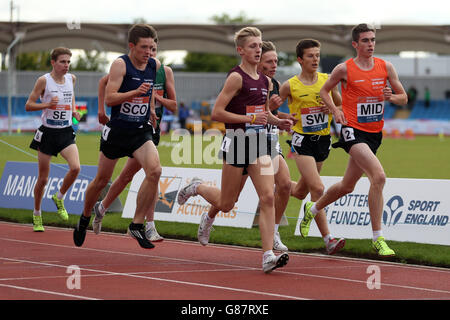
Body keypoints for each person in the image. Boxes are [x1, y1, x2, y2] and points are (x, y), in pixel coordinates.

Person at [177, 27, 293, 273]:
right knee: (228, 203)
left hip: (260, 143)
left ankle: (267, 256)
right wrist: (249, 119)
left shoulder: (265, 81)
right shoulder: (236, 77)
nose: (258, 49)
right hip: (237, 142)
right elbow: (217, 112)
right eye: (253, 46)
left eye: (259, 45)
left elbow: (263, 114)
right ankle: (196, 186)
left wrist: (277, 121)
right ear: (240, 50)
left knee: (268, 196)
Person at [304, 23, 407, 257]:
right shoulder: (344, 69)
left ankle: (314, 207)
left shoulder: (386, 67)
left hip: (374, 134)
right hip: (352, 130)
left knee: (347, 186)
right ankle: (377, 238)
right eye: (365, 41)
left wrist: (391, 97)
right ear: (355, 44)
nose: (370, 44)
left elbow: (403, 98)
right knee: (378, 176)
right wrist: (335, 110)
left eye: (372, 40)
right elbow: (323, 91)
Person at [73, 24, 162, 249]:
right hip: (118, 132)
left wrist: (150, 108)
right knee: (102, 180)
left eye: (152, 48)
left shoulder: (155, 65)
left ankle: (136, 224)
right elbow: (110, 99)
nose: (148, 53)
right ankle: (84, 217)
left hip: (140, 131)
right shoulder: (120, 64)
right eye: (144, 47)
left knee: (155, 171)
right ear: (132, 46)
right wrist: (134, 93)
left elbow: (149, 89)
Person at [93, 37, 177, 242]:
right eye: (148, 48)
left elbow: (174, 105)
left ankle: (108, 210)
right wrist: (101, 110)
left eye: (154, 49)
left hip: (150, 130)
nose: (151, 53)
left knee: (143, 174)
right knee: (137, 175)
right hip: (131, 128)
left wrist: (156, 99)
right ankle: (143, 224)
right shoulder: (130, 67)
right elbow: (103, 82)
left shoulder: (163, 71)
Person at [277, 39, 346, 255]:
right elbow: (271, 110)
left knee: (299, 191)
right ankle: (329, 239)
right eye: (310, 56)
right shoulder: (290, 85)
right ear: (300, 59)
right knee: (317, 189)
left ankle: (277, 184)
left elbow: (341, 105)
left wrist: (332, 109)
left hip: (323, 141)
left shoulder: (327, 81)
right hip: (302, 142)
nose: (315, 59)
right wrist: (285, 117)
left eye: (317, 55)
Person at [25, 47, 81, 232]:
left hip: (65, 131)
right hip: (47, 133)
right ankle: (37, 214)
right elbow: (29, 105)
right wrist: (47, 104)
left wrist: (73, 111)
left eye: (68, 62)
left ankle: (59, 197)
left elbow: (71, 95)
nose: (66, 65)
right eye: (62, 62)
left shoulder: (71, 79)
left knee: (75, 168)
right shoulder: (44, 81)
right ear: (53, 62)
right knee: (43, 179)